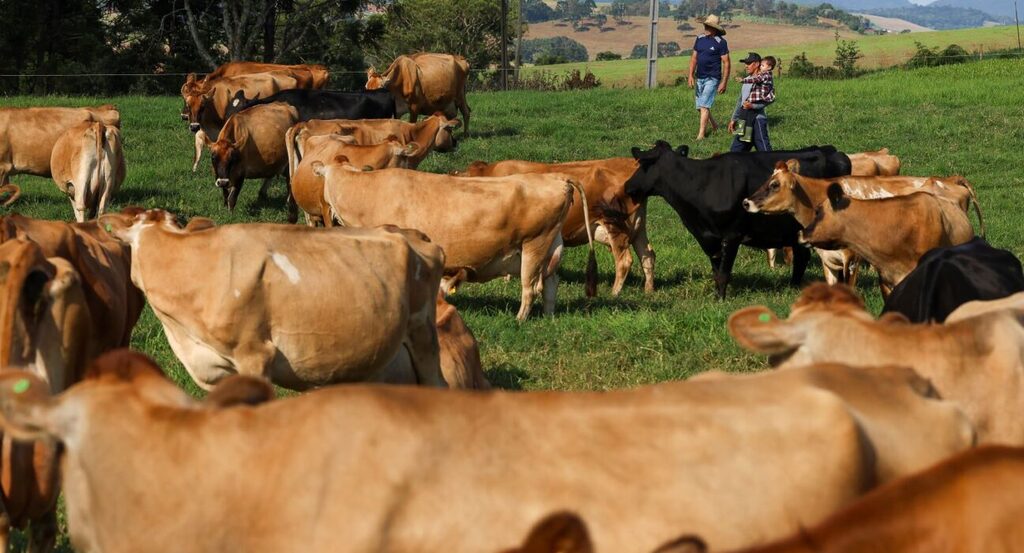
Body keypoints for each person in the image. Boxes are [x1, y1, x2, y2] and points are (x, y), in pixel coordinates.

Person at [687, 14, 730, 141]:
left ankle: (701, 135)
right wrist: (690, 75)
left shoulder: (721, 42)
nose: (705, 28)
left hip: (713, 78)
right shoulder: (699, 39)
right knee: (700, 107)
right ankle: (715, 125)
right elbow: (694, 58)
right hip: (700, 77)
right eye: (705, 25)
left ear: (715, 29)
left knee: (704, 106)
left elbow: (726, 63)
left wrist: (724, 82)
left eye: (708, 26)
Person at [728, 52, 773, 152]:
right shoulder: (746, 80)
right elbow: (740, 101)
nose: (746, 66)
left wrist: (752, 106)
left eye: (748, 63)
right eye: (745, 63)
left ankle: (774, 167)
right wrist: (734, 119)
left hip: (758, 120)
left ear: (757, 64)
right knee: (735, 152)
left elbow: (768, 100)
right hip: (743, 119)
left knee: (765, 152)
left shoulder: (764, 80)